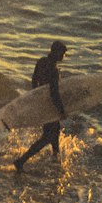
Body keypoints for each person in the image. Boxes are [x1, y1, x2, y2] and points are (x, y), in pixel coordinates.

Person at [14, 40, 68, 172]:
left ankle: (55, 158)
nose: (63, 56)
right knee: (47, 137)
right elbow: (54, 93)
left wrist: (37, 97)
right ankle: (21, 160)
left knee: (54, 133)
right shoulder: (53, 70)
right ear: (56, 52)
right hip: (50, 106)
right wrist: (61, 110)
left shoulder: (42, 61)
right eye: (62, 53)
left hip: (42, 103)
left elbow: (34, 80)